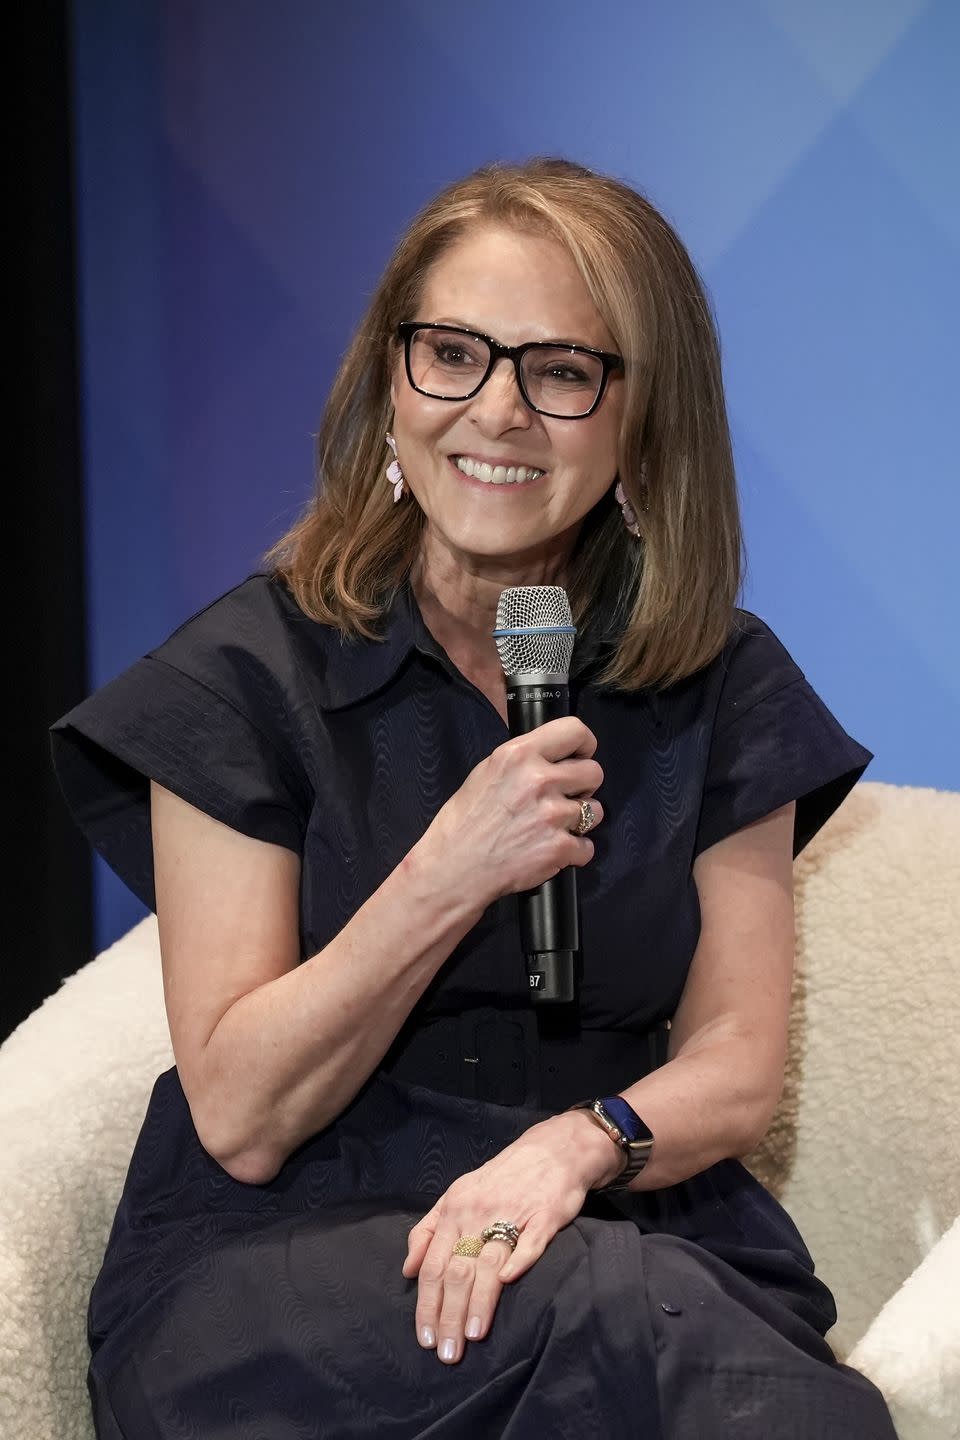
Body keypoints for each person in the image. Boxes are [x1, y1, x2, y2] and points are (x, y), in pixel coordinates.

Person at [52, 158, 897, 1438]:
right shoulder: (242, 677)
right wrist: (448, 874)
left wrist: (571, 1149)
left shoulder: (719, 679)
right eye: (453, 352)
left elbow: (735, 1064)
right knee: (658, 1352)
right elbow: (241, 1110)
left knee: (674, 1341)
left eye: (560, 371)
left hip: (618, 1225)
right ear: (391, 385)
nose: (496, 411)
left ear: (639, 419)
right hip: (293, 1261)